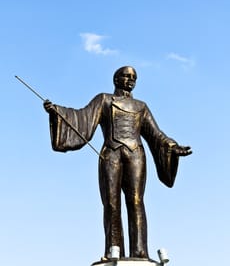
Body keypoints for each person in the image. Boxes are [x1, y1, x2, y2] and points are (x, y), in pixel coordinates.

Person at [44, 66, 191, 260]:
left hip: (136, 155)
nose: (131, 80)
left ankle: (140, 252)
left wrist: (172, 146)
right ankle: (113, 250)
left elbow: (156, 134)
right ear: (116, 79)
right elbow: (82, 118)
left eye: (134, 77)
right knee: (111, 204)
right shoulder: (104, 99)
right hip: (111, 154)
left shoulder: (141, 106)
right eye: (126, 76)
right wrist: (58, 112)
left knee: (136, 202)